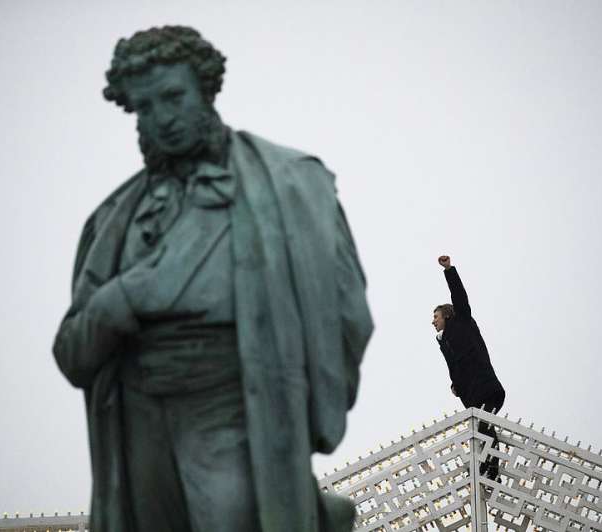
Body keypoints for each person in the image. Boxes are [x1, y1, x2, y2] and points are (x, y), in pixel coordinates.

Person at [52, 26, 373, 532]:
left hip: (238, 410)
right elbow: (72, 353)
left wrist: (299, 417)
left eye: (174, 97)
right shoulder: (112, 221)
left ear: (205, 88)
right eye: (145, 107)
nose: (162, 118)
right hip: (138, 426)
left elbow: (348, 315)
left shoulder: (292, 184)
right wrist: (125, 298)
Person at [433, 255, 504, 480]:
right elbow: (454, 365)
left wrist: (449, 270)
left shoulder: (462, 320)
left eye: (435, 317)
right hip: (472, 395)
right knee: (479, 427)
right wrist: (455, 384)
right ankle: (487, 469)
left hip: (487, 388)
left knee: (483, 425)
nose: (433, 321)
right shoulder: (445, 341)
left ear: (446, 315)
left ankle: (492, 470)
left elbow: (459, 295)